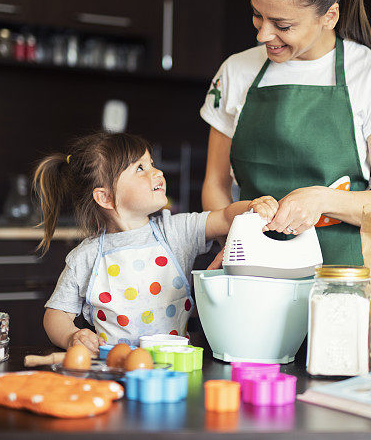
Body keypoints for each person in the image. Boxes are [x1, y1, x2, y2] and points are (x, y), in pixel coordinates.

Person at [200, 0, 371, 265]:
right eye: (257, 16)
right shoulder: (236, 71)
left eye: (282, 26)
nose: (263, 35)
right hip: (253, 272)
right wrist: (233, 239)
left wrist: (321, 200)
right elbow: (214, 183)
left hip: (343, 283)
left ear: (329, 16)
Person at [34, 131, 276, 352]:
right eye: (140, 168)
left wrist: (253, 206)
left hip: (175, 367)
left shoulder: (176, 230)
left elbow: (223, 216)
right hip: (114, 371)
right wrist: (71, 336)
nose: (156, 172)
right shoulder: (84, 257)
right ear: (106, 197)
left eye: (152, 163)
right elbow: (55, 315)